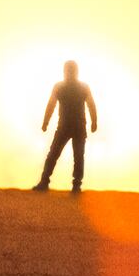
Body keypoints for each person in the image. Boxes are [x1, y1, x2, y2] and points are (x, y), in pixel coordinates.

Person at [35, 59, 101, 194]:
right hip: (65, 126)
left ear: (76, 71)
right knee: (54, 154)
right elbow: (51, 104)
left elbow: (91, 104)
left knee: (77, 156)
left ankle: (75, 185)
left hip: (77, 127)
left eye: (72, 70)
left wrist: (94, 121)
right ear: (65, 71)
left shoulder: (83, 87)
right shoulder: (59, 86)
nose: (70, 72)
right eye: (68, 70)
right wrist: (45, 122)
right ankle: (45, 181)